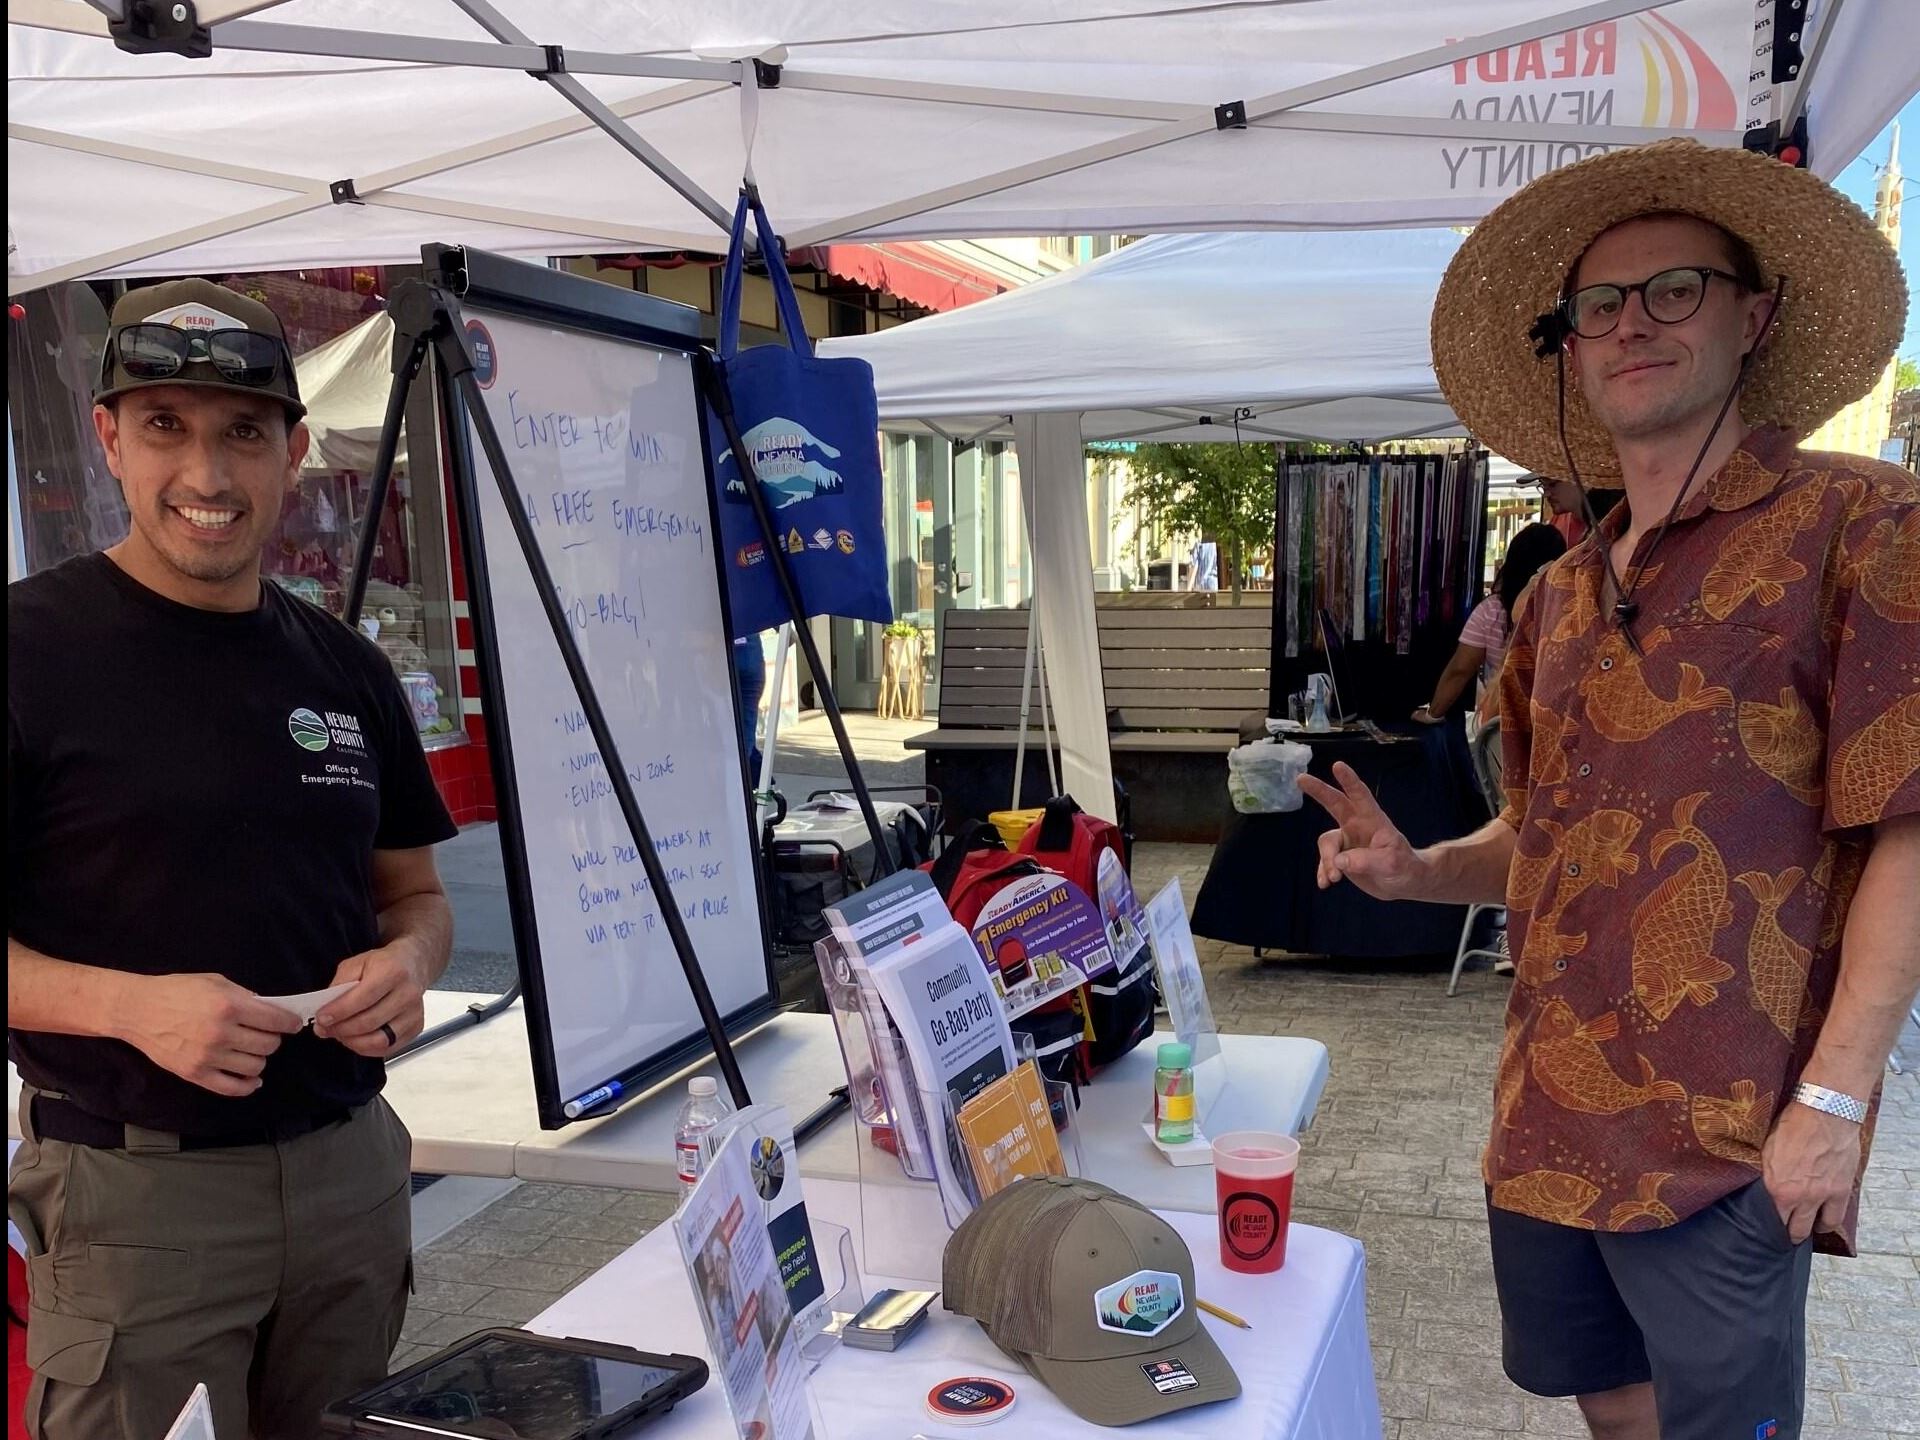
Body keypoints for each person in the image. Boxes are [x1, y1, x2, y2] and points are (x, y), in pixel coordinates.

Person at [1305, 141, 1918, 1440]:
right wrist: (1416, 872)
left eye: (1673, 290)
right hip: (1544, 1119)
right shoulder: (1557, 597)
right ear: (1570, 350)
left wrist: (1838, 1099)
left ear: (1753, 320)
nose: (1630, 323)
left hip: (1726, 1147)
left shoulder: (1859, 528)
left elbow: (1907, 822)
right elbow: (1537, 836)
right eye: (1598, 305)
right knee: (1613, 1411)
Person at [8, 280, 458, 1440]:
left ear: (293, 452)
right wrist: (133, 1010)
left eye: (242, 434)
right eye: (167, 427)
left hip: (350, 1178)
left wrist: (406, 965)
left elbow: (413, 895)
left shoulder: (346, 672)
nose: (207, 476)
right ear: (108, 438)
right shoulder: (25, 653)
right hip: (136, 1201)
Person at [1413, 521, 1567, 725]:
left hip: (1504, 720)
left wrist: (1433, 714)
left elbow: (1460, 670)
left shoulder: (1492, 611)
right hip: (1554, 719)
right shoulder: (1568, 610)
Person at [1525, 470, 1624, 546]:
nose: (1546, 494)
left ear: (1580, 478)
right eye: (1542, 486)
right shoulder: (1558, 522)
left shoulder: (1613, 524)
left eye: (1552, 484)